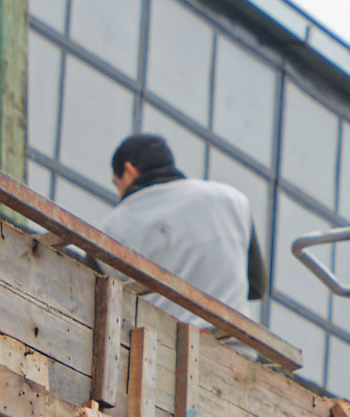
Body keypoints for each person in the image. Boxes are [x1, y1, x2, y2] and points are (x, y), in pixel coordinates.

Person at [101, 134, 267, 328]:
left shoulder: (116, 224)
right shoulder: (234, 200)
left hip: (160, 347)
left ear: (129, 171)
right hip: (235, 347)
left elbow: (93, 286)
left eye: (116, 182)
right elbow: (257, 286)